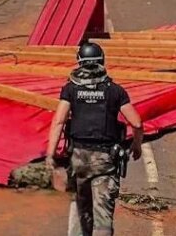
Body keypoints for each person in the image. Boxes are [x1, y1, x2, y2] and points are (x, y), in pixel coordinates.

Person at [45, 42, 144, 236]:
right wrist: (136, 145)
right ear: (102, 61)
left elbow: (58, 122)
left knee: (80, 207)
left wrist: (50, 155)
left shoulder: (70, 89)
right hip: (105, 161)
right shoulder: (115, 91)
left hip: (78, 159)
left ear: (79, 63)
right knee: (103, 216)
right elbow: (137, 123)